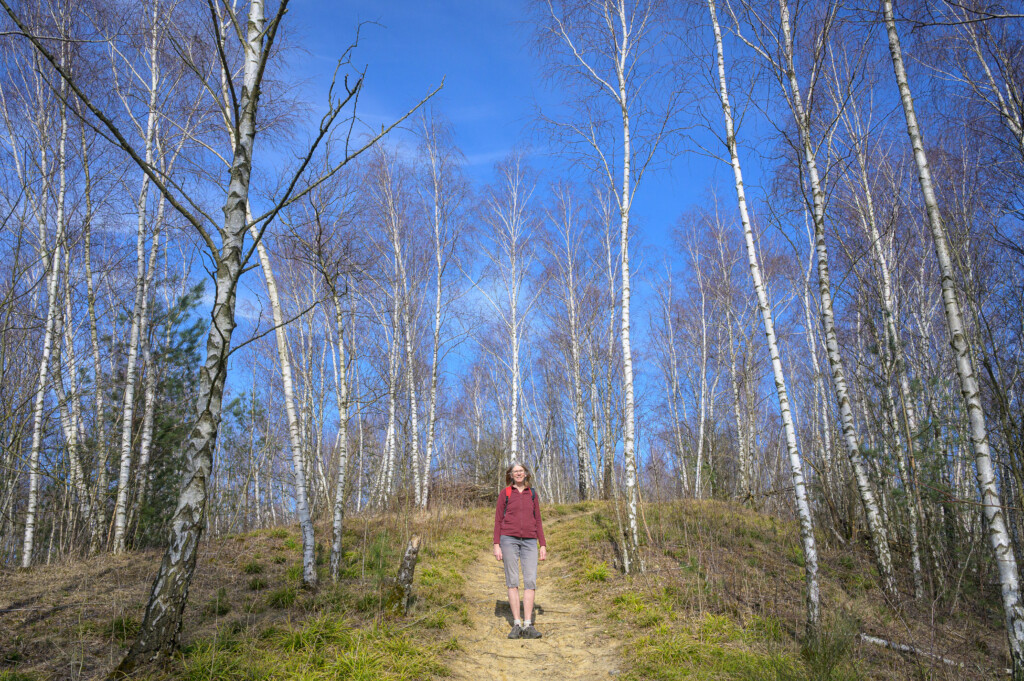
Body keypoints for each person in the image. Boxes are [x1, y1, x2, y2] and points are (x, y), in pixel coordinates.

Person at [493, 462, 547, 639]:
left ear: (526, 474)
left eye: (521, 471)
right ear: (510, 475)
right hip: (508, 539)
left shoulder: (532, 494)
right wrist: (496, 544)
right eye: (515, 471)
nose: (518, 473)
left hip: (530, 541)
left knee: (530, 581)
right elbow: (498, 520)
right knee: (513, 581)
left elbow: (538, 520)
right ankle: (517, 624)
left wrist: (542, 544)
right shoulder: (506, 493)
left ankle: (528, 624)